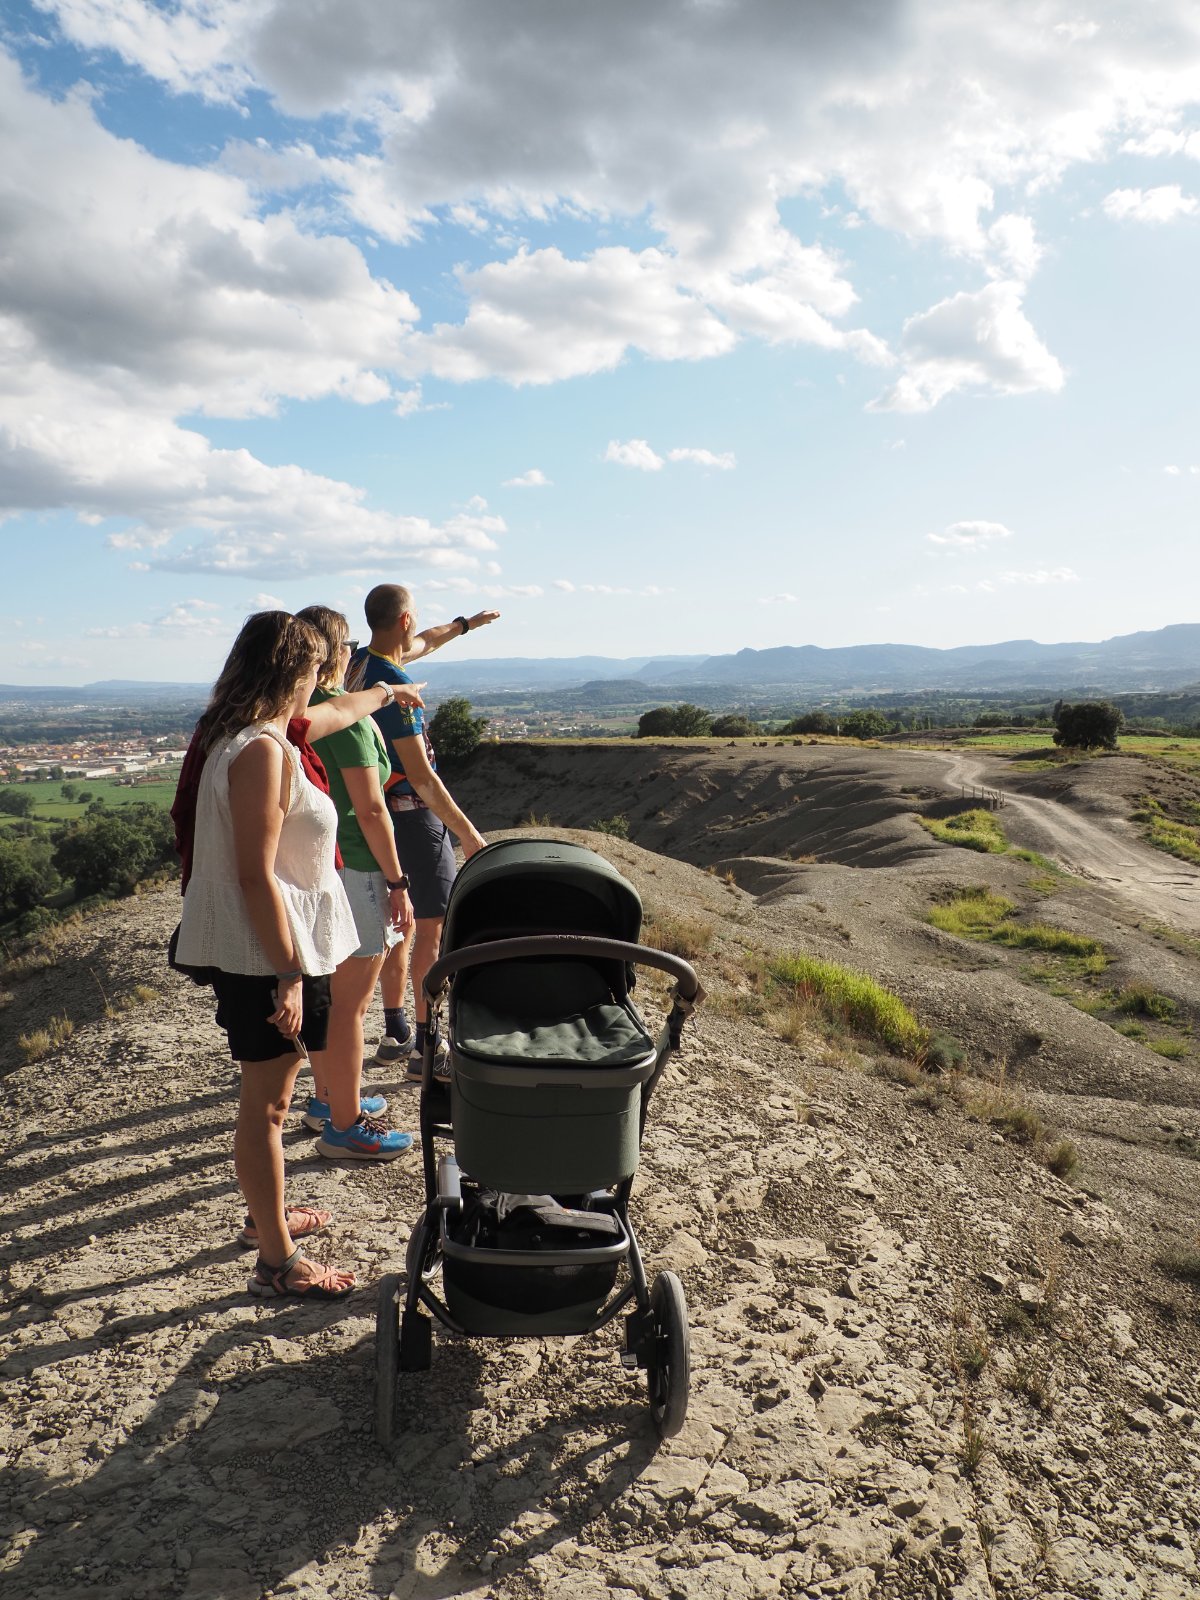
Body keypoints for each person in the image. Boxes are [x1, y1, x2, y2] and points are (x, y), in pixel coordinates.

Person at [173, 611, 390, 1299]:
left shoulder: (246, 739)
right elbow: (254, 874)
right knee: (266, 1107)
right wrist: (290, 974)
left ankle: (269, 1219)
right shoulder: (261, 751)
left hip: (273, 950)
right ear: (293, 672)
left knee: (272, 1099)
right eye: (315, 671)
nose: (322, 683)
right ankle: (277, 1259)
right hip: (268, 956)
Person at [347, 586, 490, 1076]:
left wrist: (465, 624)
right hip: (411, 813)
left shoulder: (358, 665)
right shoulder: (395, 683)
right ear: (404, 618)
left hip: (371, 811)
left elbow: (429, 640)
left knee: (398, 921)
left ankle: (396, 1029)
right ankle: (427, 1049)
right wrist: (468, 836)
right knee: (430, 925)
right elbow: (423, 778)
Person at [293, 604, 416, 1159]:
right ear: (339, 655)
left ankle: (327, 1097)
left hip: (314, 869)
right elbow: (371, 811)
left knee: (325, 994)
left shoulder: (293, 718)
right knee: (352, 1003)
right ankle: (344, 1124)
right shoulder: (346, 719)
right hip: (360, 866)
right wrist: (398, 882)